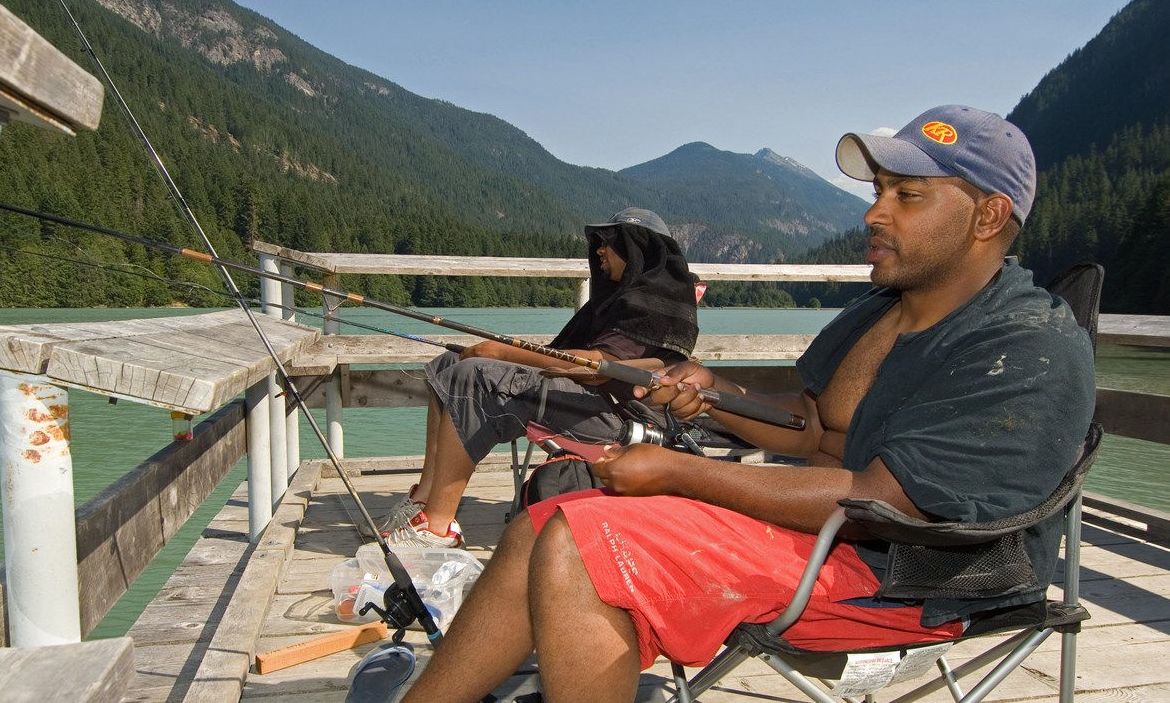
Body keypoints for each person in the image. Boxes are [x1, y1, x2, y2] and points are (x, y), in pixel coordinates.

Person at [401, 105, 1096, 702]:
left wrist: (678, 471)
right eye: (880, 189)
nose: (873, 211)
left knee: (583, 546)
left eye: (907, 196)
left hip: (915, 580)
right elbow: (812, 427)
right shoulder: (882, 309)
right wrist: (711, 397)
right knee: (541, 524)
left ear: (988, 216)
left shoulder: (1026, 343)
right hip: (840, 537)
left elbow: (888, 500)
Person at [372, 207, 700, 548]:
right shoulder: (616, 298)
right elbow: (572, 359)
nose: (599, 250)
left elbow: (594, 368)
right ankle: (424, 499)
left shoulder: (651, 302)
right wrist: (498, 352)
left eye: (609, 242)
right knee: (449, 363)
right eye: (599, 243)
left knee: (473, 376)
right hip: (589, 401)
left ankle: (437, 530)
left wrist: (500, 352)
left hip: (622, 417)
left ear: (638, 249)